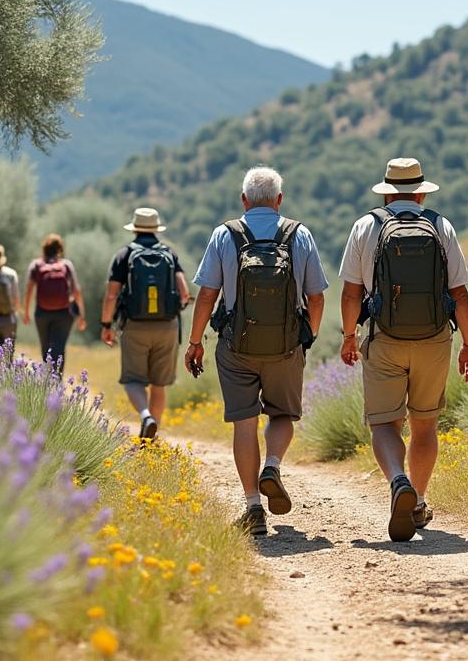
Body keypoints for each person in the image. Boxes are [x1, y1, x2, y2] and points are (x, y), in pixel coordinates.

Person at [338, 157, 468, 543]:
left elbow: (351, 292)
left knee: (384, 423)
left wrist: (350, 336)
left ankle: (397, 480)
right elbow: (460, 293)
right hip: (434, 340)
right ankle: (417, 499)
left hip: (384, 337)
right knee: (425, 423)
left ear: (386, 192)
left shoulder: (366, 226)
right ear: (420, 192)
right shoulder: (440, 225)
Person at [185, 167, 328, 536]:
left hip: (236, 346)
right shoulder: (300, 234)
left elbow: (206, 294)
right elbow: (316, 297)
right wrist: (306, 335)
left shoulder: (223, 234)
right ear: (279, 200)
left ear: (244, 200)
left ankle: (252, 507)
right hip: (285, 346)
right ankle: (273, 465)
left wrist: (195, 341)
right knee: (282, 415)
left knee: (244, 423)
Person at [100, 208, 191, 441]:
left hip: (135, 326)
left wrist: (106, 324)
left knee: (133, 380)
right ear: (155, 228)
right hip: (167, 326)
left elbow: (111, 295)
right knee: (159, 384)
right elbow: (184, 293)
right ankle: (152, 437)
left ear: (135, 228)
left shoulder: (124, 255)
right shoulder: (169, 253)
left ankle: (145, 416)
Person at [22, 233, 87, 372]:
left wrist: (26, 312)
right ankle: (56, 381)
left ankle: (47, 380)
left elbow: (28, 290)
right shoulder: (66, 265)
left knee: (46, 348)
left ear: (44, 249)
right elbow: (77, 291)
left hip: (42, 313)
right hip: (64, 313)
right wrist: (82, 315)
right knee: (59, 347)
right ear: (60, 249)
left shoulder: (36, 265)